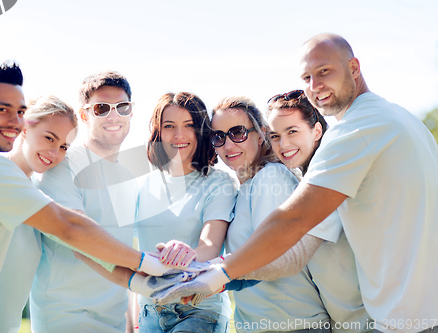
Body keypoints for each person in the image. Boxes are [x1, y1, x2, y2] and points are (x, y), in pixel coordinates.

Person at [154, 34, 438, 333]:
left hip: (399, 318)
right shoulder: (404, 120)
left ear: (354, 67)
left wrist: (217, 275)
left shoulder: (355, 132)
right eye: (307, 77)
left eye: (324, 71)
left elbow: (292, 227)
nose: (315, 86)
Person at [0, 62, 181, 333]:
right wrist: (145, 268)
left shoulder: (22, 185)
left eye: (63, 145)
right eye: (1, 109)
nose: (55, 152)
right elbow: (71, 229)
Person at [209, 96, 334, 333]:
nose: (227, 145)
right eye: (218, 136)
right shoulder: (243, 189)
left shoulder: (271, 177)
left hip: (295, 327)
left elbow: (272, 257)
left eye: (237, 133)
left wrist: (216, 274)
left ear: (260, 134)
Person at [29, 71, 139, 333]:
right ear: (84, 115)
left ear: (131, 112)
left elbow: (125, 245)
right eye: (102, 108)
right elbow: (81, 239)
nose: (114, 116)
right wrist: (144, 268)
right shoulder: (61, 167)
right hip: (65, 317)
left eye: (122, 107)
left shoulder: (130, 177)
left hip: (114, 320)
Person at [267, 91, 371, 332]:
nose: (283, 145)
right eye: (275, 135)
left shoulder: (329, 177)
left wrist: (221, 275)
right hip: (344, 323)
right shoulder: (302, 181)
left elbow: (293, 259)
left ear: (316, 131)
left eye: (292, 131)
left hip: (374, 321)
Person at [134, 92, 237, 333]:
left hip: (199, 311)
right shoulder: (142, 183)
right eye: (169, 126)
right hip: (149, 311)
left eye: (189, 126)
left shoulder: (219, 182)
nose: (179, 135)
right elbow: (135, 257)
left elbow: (210, 247)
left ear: (201, 132)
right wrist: (133, 320)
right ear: (158, 132)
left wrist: (184, 252)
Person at [0, 96, 78, 333]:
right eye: (49, 137)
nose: (55, 152)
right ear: (25, 126)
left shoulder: (38, 194)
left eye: (63, 146)